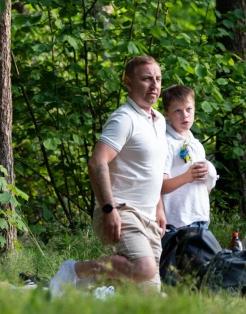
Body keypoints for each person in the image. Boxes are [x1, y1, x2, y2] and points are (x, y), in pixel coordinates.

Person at [50, 55, 168, 295]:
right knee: (143, 268)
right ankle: (76, 270)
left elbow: (150, 170)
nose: (154, 85)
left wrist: (159, 209)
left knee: (147, 295)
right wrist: (109, 209)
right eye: (146, 79)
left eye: (157, 79)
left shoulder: (159, 120)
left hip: (149, 218)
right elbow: (97, 162)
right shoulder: (124, 119)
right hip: (122, 209)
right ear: (128, 83)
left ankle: (86, 289)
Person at [160, 84, 217, 235]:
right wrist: (187, 177)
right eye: (178, 111)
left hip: (200, 217)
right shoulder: (165, 143)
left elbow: (205, 188)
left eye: (188, 109)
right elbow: (160, 187)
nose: (185, 115)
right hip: (176, 222)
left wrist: (209, 178)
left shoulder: (196, 144)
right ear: (166, 113)